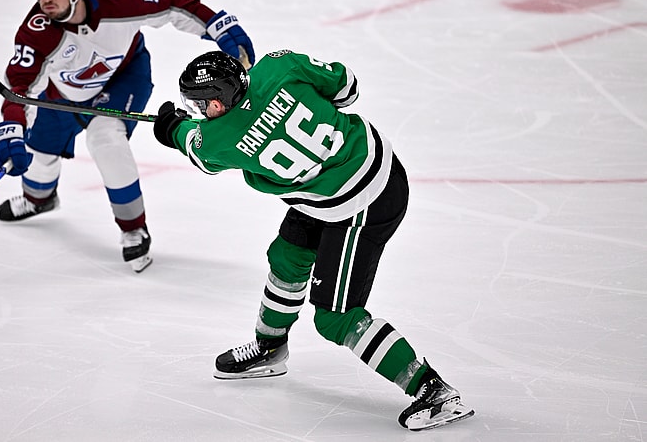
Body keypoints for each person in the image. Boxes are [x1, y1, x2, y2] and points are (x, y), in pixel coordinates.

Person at [152, 50, 474, 431]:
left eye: (201, 104)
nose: (199, 111)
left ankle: (433, 390)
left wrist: (171, 126)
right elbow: (346, 87)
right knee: (287, 255)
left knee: (336, 317)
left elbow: (195, 145)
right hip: (358, 172)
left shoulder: (218, 138)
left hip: (364, 204)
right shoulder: (278, 65)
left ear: (218, 101)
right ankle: (270, 348)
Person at [0, 0, 255, 273]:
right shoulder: (36, 34)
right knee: (38, 152)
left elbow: (171, 2)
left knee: (106, 141)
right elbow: (19, 89)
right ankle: (39, 198)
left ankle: (133, 227)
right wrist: (12, 128)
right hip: (60, 94)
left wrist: (217, 25)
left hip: (123, 80)